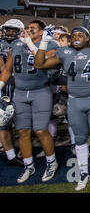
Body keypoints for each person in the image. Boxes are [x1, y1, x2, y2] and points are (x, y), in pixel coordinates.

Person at [34, 26, 90, 191]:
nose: (76, 37)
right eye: (73, 35)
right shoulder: (64, 52)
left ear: (88, 38)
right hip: (75, 101)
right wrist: (44, 42)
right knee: (80, 139)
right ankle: (83, 173)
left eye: (81, 34)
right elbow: (39, 64)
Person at [0, 20, 59, 183]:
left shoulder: (50, 43)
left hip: (40, 91)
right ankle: (28, 165)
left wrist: (30, 44)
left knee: (41, 131)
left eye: (32, 28)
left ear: (41, 32)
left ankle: (51, 162)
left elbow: (43, 63)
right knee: (23, 131)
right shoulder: (17, 44)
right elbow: (8, 69)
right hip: (19, 92)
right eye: (27, 27)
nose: (28, 30)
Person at [0, 19, 25, 167]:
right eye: (8, 29)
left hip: (20, 86)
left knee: (22, 123)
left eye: (13, 30)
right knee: (3, 123)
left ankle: (23, 151)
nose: (9, 33)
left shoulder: (23, 44)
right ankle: (11, 156)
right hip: (4, 86)